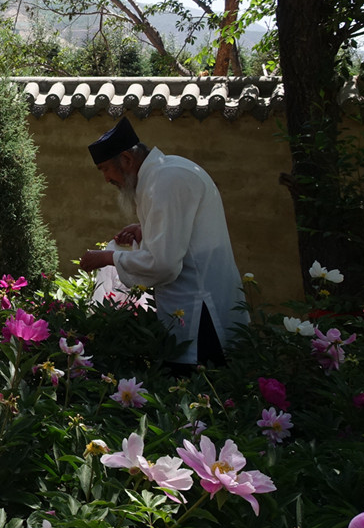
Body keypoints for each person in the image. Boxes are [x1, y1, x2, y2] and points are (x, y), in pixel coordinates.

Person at [78, 117, 248, 370]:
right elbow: (185, 232)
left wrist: (106, 258)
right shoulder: (166, 172)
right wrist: (144, 230)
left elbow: (164, 264)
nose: (106, 179)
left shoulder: (165, 181)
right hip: (192, 303)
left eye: (105, 169)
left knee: (202, 392)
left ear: (126, 159)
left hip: (200, 310)